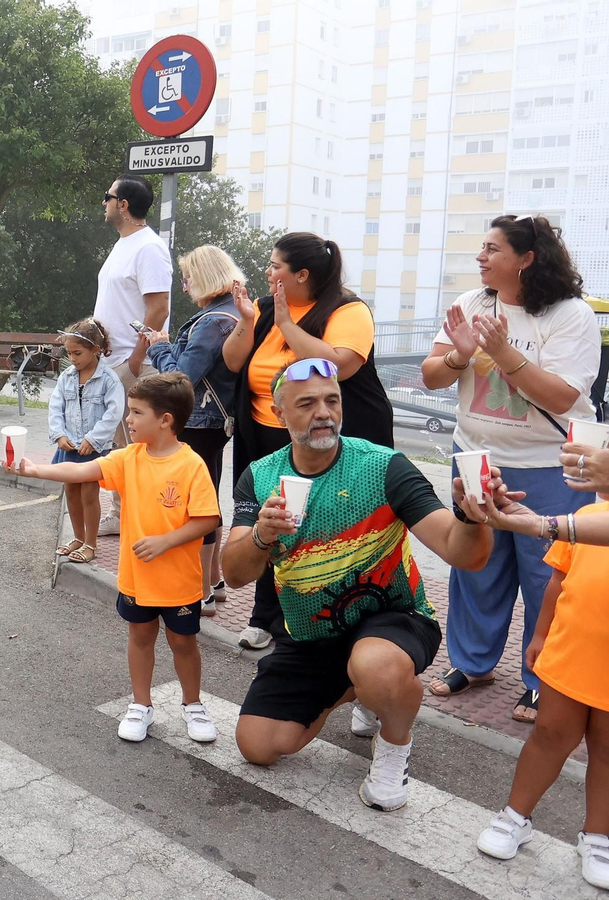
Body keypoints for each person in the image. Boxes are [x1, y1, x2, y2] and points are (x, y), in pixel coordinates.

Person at [223, 358, 493, 812]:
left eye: (332, 400)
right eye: (306, 404)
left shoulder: (384, 466)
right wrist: (261, 535)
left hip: (393, 619)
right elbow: (234, 574)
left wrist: (469, 517)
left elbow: (463, 552)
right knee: (259, 746)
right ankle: (352, 687)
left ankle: (392, 743)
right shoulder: (260, 475)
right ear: (279, 411)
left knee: (377, 667)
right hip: (309, 635)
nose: (324, 413)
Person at [419, 214, 599, 722]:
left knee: (547, 576)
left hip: (549, 466)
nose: (481, 256)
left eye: (493, 249)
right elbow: (431, 375)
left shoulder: (569, 314)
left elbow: (564, 396)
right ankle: (472, 663)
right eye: (481, 247)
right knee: (476, 565)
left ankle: (542, 677)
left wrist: (502, 354)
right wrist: (460, 356)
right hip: (475, 455)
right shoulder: (474, 303)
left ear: (527, 258)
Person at [13, 372, 222, 742]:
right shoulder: (128, 458)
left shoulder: (191, 465)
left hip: (179, 583)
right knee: (140, 636)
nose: (128, 419)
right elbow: (80, 470)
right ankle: (141, 705)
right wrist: (34, 468)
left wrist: (166, 541)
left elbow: (207, 519)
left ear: (165, 420)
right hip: (137, 579)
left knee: (183, 643)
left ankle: (193, 705)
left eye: (136, 412)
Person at [222, 232, 394, 650]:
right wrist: (248, 320)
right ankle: (266, 615)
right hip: (265, 437)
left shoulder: (347, 309)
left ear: (301, 274)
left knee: (320, 527)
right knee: (271, 522)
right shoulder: (263, 308)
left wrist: (286, 325)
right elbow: (232, 361)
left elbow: (338, 365)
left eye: (275, 265)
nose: (267, 271)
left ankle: (332, 619)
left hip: (326, 442)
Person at [466, 482, 609, 888]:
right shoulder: (583, 520)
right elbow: (557, 582)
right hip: (571, 652)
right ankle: (515, 815)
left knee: (607, 749)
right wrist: (541, 636)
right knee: (549, 735)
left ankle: (598, 836)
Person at [132, 246, 242, 615]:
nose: (184, 287)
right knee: (209, 496)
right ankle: (214, 581)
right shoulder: (227, 313)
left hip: (200, 420)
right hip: (215, 422)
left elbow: (181, 379)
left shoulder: (212, 321)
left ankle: (202, 592)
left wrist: (160, 346)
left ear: (206, 275)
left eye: (188, 278)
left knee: (197, 507)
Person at [92, 174, 174, 537]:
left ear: (123, 205)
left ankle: (137, 520)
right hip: (111, 362)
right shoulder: (123, 244)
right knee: (121, 447)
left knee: (136, 446)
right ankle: (122, 515)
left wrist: (136, 361)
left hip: (130, 363)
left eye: (107, 197)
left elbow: (158, 309)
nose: (104, 203)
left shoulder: (149, 247)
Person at [47, 318, 124, 563]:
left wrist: (93, 438)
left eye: (78, 353)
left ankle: (91, 543)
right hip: (69, 445)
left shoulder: (109, 380)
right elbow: (55, 407)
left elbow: (114, 414)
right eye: (69, 353)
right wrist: (59, 434)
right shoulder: (66, 377)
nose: (73, 359)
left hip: (92, 448)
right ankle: (78, 537)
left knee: (89, 493)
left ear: (96, 349)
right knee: (70, 490)